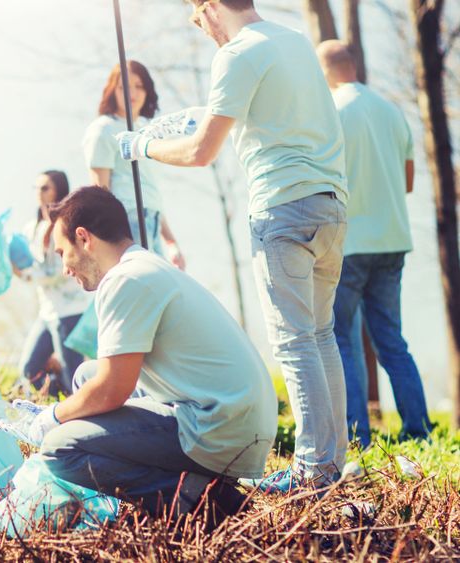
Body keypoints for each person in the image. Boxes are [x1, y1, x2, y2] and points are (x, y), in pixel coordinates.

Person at [116, 0, 348, 493]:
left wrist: (141, 146)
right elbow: (275, 114)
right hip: (329, 205)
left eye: (198, 19)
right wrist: (201, 116)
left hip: (282, 208)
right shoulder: (295, 42)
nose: (202, 29)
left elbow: (201, 151)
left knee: (295, 341)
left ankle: (312, 472)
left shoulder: (237, 53)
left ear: (211, 7)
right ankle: (329, 464)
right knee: (321, 335)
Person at [0, 187, 276, 520]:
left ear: (84, 238)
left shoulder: (125, 280)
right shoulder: (145, 266)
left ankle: (202, 499)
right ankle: (188, 481)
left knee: (60, 448)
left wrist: (53, 416)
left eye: (62, 253)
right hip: (235, 418)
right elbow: (105, 380)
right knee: (86, 375)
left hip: (219, 429)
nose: (65, 269)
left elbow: (112, 390)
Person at [317, 40, 432, 448]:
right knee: (392, 341)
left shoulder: (331, 112)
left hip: (350, 243)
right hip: (393, 240)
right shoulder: (391, 111)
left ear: (324, 71)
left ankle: (357, 437)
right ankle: (419, 432)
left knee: (341, 339)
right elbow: (408, 182)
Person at [82, 61, 185, 267]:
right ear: (113, 90)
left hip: (152, 220)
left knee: (161, 282)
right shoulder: (103, 129)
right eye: (124, 87)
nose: (133, 93)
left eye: (139, 86)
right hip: (127, 221)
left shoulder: (147, 131)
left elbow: (149, 192)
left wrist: (170, 240)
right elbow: (100, 192)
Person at [14, 170, 90, 396]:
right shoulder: (32, 228)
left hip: (69, 310)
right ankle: (60, 397)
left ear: (59, 190)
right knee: (28, 370)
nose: (39, 193)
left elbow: (61, 270)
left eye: (45, 188)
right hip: (46, 312)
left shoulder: (68, 225)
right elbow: (27, 260)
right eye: (36, 188)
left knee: (72, 374)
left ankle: (81, 406)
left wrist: (27, 275)